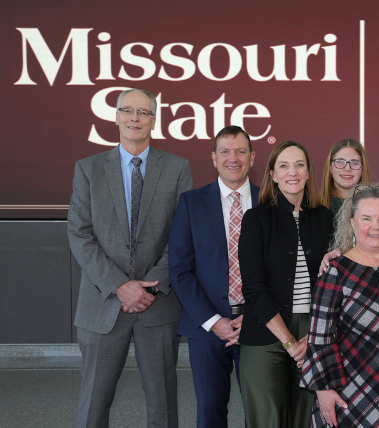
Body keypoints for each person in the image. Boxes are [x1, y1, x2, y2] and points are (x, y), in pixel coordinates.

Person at [68, 88, 192, 428]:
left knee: (163, 407)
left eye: (143, 112)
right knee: (93, 405)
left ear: (154, 119)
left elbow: (182, 237)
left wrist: (149, 289)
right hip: (102, 304)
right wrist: (119, 285)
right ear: (117, 116)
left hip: (158, 304)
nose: (135, 117)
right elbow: (79, 234)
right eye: (127, 110)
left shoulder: (178, 168)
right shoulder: (89, 169)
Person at [302, 185, 379, 428]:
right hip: (353, 395)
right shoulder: (335, 272)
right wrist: (324, 389)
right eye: (366, 219)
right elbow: (319, 338)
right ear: (352, 221)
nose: (376, 226)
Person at [237, 141, 334, 427]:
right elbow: (253, 288)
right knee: (268, 420)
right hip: (267, 332)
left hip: (313, 332)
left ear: (308, 173)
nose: (293, 172)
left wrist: (313, 337)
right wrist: (290, 341)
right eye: (284, 165)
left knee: (307, 420)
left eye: (299, 164)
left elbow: (333, 286)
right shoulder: (256, 219)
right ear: (273, 175)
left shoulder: (324, 218)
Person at [168, 125, 258, 427]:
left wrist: (257, 315)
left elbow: (279, 269)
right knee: (209, 412)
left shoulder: (270, 201)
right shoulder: (191, 203)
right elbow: (180, 269)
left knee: (260, 413)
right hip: (206, 329)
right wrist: (213, 321)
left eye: (241, 151)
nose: (233, 158)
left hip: (260, 326)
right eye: (225, 151)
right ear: (214, 158)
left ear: (252, 157)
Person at [318, 138, 370, 216]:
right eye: (340, 162)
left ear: (363, 169)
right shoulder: (314, 206)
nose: (347, 168)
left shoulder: (375, 206)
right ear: (330, 167)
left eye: (354, 163)